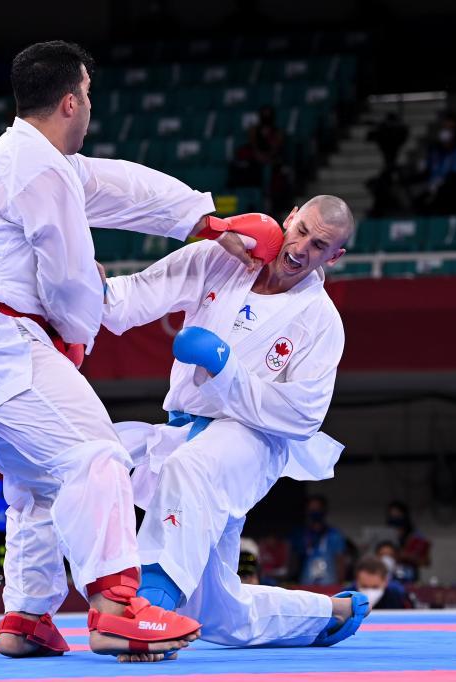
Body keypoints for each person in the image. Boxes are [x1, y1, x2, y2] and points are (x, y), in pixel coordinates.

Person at [0, 40, 279, 661]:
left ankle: (26, 617)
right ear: (70, 101)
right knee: (97, 455)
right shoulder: (38, 169)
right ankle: (115, 609)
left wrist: (204, 220)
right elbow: (68, 281)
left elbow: (117, 185)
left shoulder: (25, 157)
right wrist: (76, 331)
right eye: (87, 95)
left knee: (37, 479)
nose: (91, 106)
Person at [103, 195, 370, 651]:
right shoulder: (222, 259)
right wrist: (81, 285)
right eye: (302, 230)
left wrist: (225, 368)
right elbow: (132, 297)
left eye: (319, 245)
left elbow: (304, 415)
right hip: (182, 428)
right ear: (289, 218)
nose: (301, 248)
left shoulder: (321, 320)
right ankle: (329, 615)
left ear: (334, 257)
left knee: (192, 468)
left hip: (253, 440)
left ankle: (149, 607)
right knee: (216, 612)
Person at [291, 495, 348, 586]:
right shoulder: (301, 534)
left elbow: (340, 560)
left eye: (318, 509)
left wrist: (340, 584)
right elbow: (293, 560)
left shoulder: (334, 534)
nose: (315, 512)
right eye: (312, 509)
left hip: (329, 584)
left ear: (324, 510)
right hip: (306, 584)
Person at [385, 500, 431, 583]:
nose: (395, 518)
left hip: (410, 577)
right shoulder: (385, 536)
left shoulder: (416, 536)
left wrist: (408, 556)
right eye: (392, 515)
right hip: (390, 579)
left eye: (398, 515)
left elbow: (426, 562)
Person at [347, 555, 413, 609]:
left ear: (385, 581)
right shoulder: (346, 597)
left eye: (375, 587)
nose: (369, 592)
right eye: (364, 586)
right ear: (356, 582)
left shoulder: (399, 595)